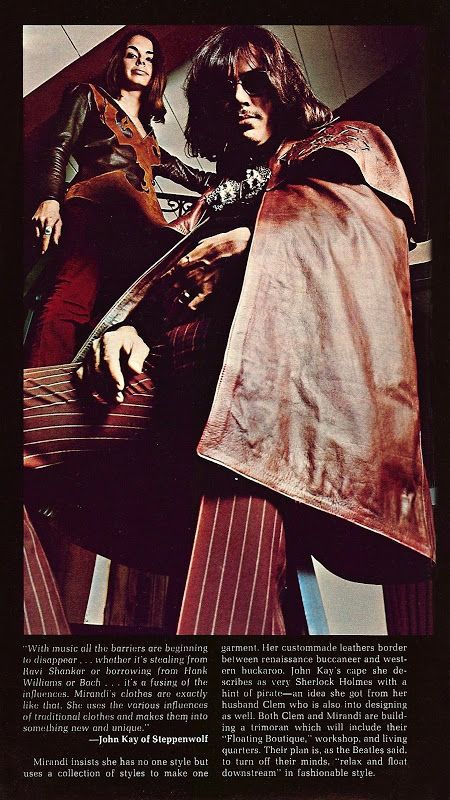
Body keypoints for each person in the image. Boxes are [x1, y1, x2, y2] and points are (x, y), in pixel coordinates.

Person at [24, 25, 435, 635]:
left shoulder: (346, 145)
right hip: (161, 380)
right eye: (224, 91)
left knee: (222, 616)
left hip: (265, 397)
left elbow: (358, 245)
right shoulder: (209, 198)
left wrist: (251, 246)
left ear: (282, 87)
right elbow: (165, 278)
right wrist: (132, 326)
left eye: (255, 84)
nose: (240, 99)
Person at [28, 27, 215, 367]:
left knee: (123, 310)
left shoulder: (150, 139)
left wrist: (246, 178)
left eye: (149, 58)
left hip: (141, 227)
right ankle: (37, 387)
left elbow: (194, 176)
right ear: (120, 61)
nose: (141, 62)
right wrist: (51, 199)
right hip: (95, 208)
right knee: (71, 297)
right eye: (133, 54)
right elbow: (58, 145)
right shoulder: (88, 96)